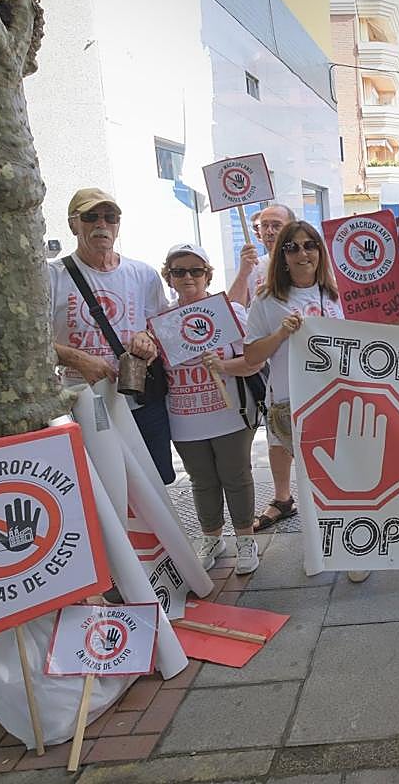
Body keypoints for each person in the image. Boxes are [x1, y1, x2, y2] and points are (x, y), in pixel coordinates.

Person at [243, 222, 370, 583]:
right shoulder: (268, 301)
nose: (303, 254)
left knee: (347, 477)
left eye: (310, 245)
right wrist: (282, 333)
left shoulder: (337, 294)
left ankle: (352, 549)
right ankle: (317, 549)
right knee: (311, 480)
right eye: (293, 248)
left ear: (320, 251)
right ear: (281, 256)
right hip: (292, 403)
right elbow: (251, 355)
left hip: (340, 400)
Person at [50, 187, 174, 483]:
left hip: (140, 401)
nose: (101, 224)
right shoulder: (52, 276)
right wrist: (76, 358)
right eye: (91, 216)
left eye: (110, 217)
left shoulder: (143, 274)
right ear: (73, 224)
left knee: (152, 487)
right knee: (101, 490)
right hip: (83, 405)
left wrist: (149, 340)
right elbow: (29, 343)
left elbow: (161, 328)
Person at [161, 244, 264, 574]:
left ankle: (246, 540)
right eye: (179, 271)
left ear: (208, 274)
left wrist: (223, 366)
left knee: (236, 477)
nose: (188, 276)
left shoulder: (230, 312)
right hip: (184, 417)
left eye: (196, 270)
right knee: (201, 481)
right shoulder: (161, 321)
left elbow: (253, 361)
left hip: (229, 412)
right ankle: (212, 538)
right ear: (168, 277)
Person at [227, 203, 293, 308]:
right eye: (264, 225)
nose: (269, 231)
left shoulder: (304, 263)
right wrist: (243, 273)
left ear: (292, 229)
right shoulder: (253, 266)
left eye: (276, 225)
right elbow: (233, 311)